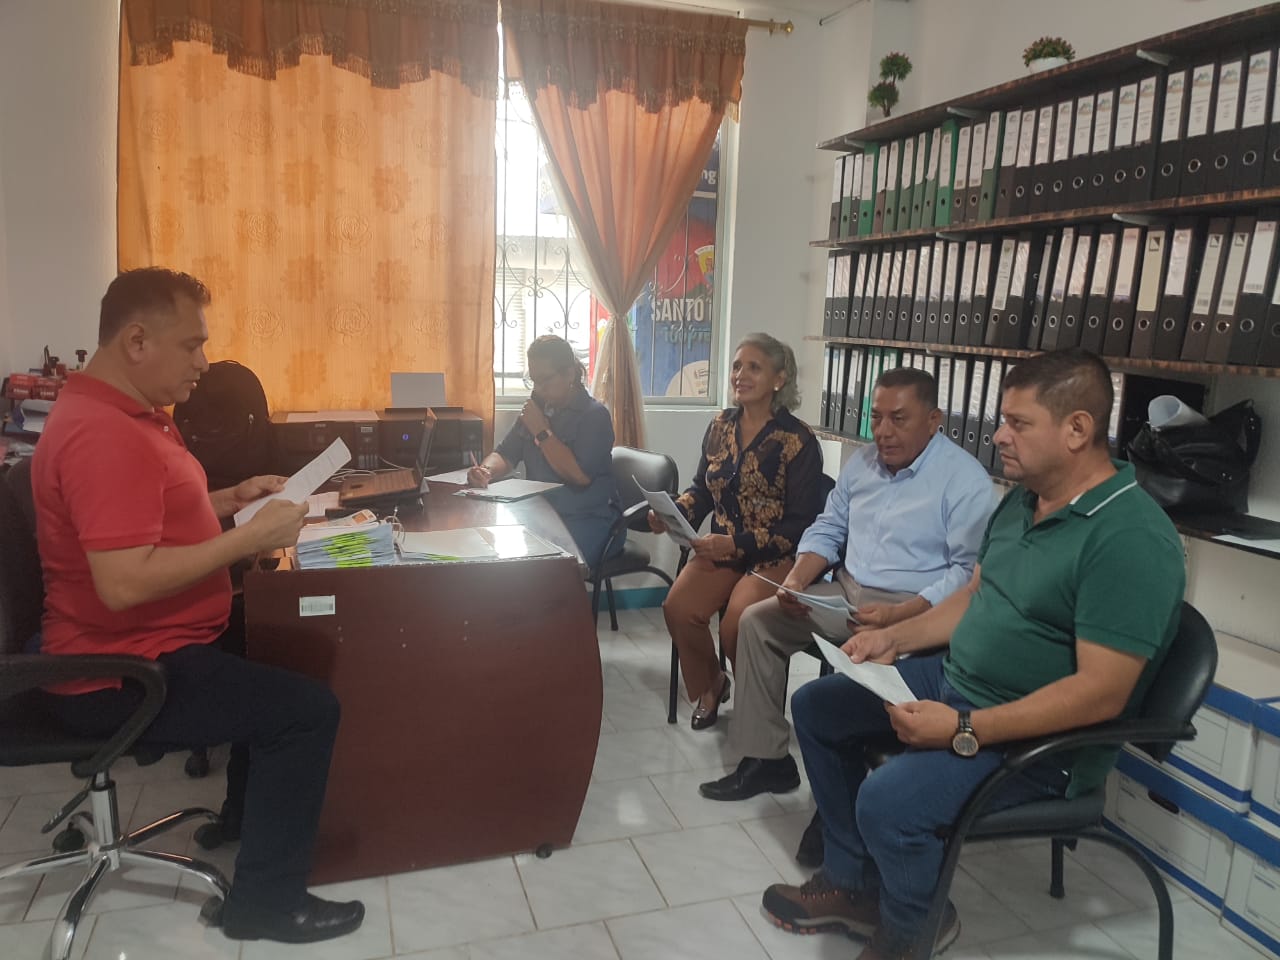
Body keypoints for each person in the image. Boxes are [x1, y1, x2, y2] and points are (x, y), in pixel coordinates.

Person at [760, 349, 1186, 960]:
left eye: (1018, 423)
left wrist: (964, 727)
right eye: (1002, 420)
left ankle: (914, 930)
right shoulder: (1024, 500)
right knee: (818, 707)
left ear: (1077, 429)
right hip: (957, 681)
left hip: (1038, 742)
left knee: (887, 802)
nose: (999, 435)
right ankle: (851, 883)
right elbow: (974, 594)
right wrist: (896, 638)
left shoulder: (1130, 537)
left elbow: (1102, 693)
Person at [33, 268, 364, 945]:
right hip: (121, 672)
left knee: (277, 640)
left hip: (147, 641)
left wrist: (229, 500)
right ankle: (267, 905)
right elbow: (123, 583)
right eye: (191, 345)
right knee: (307, 712)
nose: (203, 363)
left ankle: (245, 818)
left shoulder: (123, 413)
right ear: (136, 341)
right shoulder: (103, 435)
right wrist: (247, 539)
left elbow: (144, 518)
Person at [699, 367, 994, 853]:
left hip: (915, 609)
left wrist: (902, 616)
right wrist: (797, 580)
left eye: (899, 419)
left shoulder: (965, 481)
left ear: (934, 420)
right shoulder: (863, 464)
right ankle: (767, 759)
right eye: (876, 418)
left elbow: (966, 574)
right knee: (758, 621)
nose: (884, 431)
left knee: (858, 671)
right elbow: (828, 526)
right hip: (845, 591)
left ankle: (837, 804)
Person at [651, 333, 824, 730]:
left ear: (779, 379)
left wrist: (736, 543)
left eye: (754, 367)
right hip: (719, 550)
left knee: (738, 624)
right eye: (736, 366)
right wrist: (674, 513)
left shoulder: (797, 440)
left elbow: (800, 525)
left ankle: (756, 710)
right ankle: (712, 685)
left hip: (774, 556)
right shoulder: (720, 425)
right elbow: (702, 489)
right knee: (679, 608)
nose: (740, 375)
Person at [467, 334, 620, 567]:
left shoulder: (594, 416)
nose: (538, 388)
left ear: (569, 374)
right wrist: (486, 470)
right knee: (491, 551)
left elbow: (579, 476)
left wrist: (541, 431)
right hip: (540, 515)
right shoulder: (538, 408)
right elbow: (506, 453)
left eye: (545, 380)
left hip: (587, 520)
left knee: (536, 568)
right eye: (533, 380)